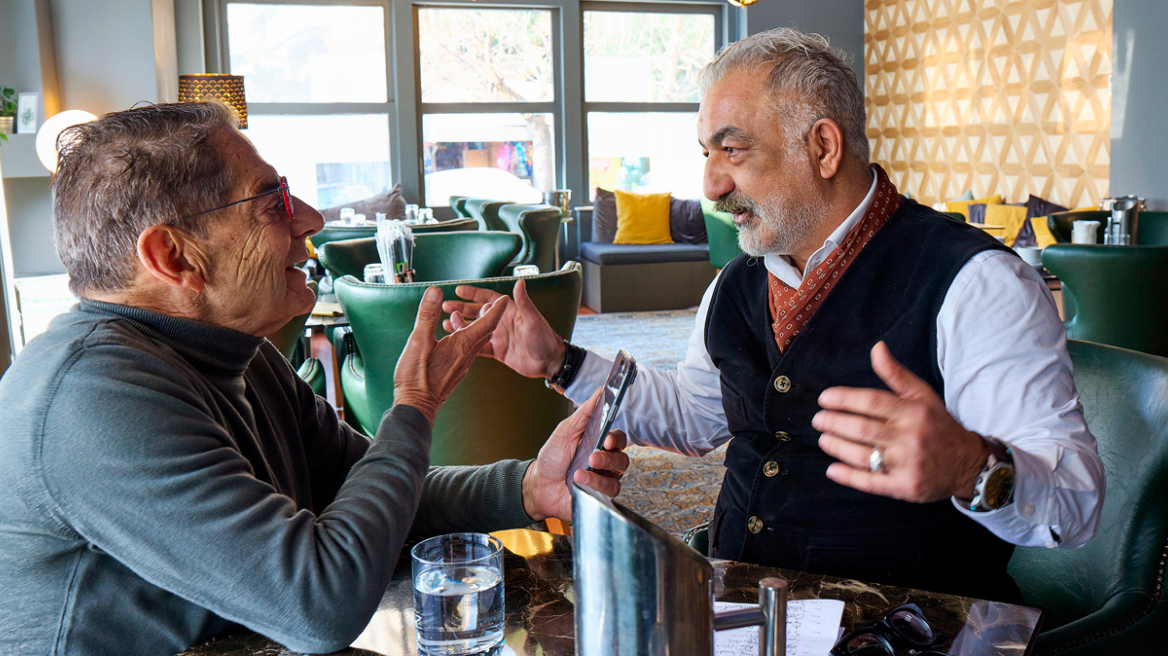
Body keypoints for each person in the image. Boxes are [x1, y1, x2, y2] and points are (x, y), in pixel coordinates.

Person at [441, 28, 1105, 601]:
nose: (711, 185)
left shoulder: (977, 283)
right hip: (735, 607)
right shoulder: (736, 284)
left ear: (821, 147)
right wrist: (559, 360)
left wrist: (972, 468)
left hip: (909, 623)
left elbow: (1076, 507)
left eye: (733, 151)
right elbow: (693, 417)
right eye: (707, 153)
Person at [0, 102, 629, 656]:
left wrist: (525, 486)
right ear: (173, 257)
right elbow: (320, 604)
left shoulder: (237, 353)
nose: (309, 218)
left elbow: (378, 493)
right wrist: (412, 404)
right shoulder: (93, 398)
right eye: (270, 201)